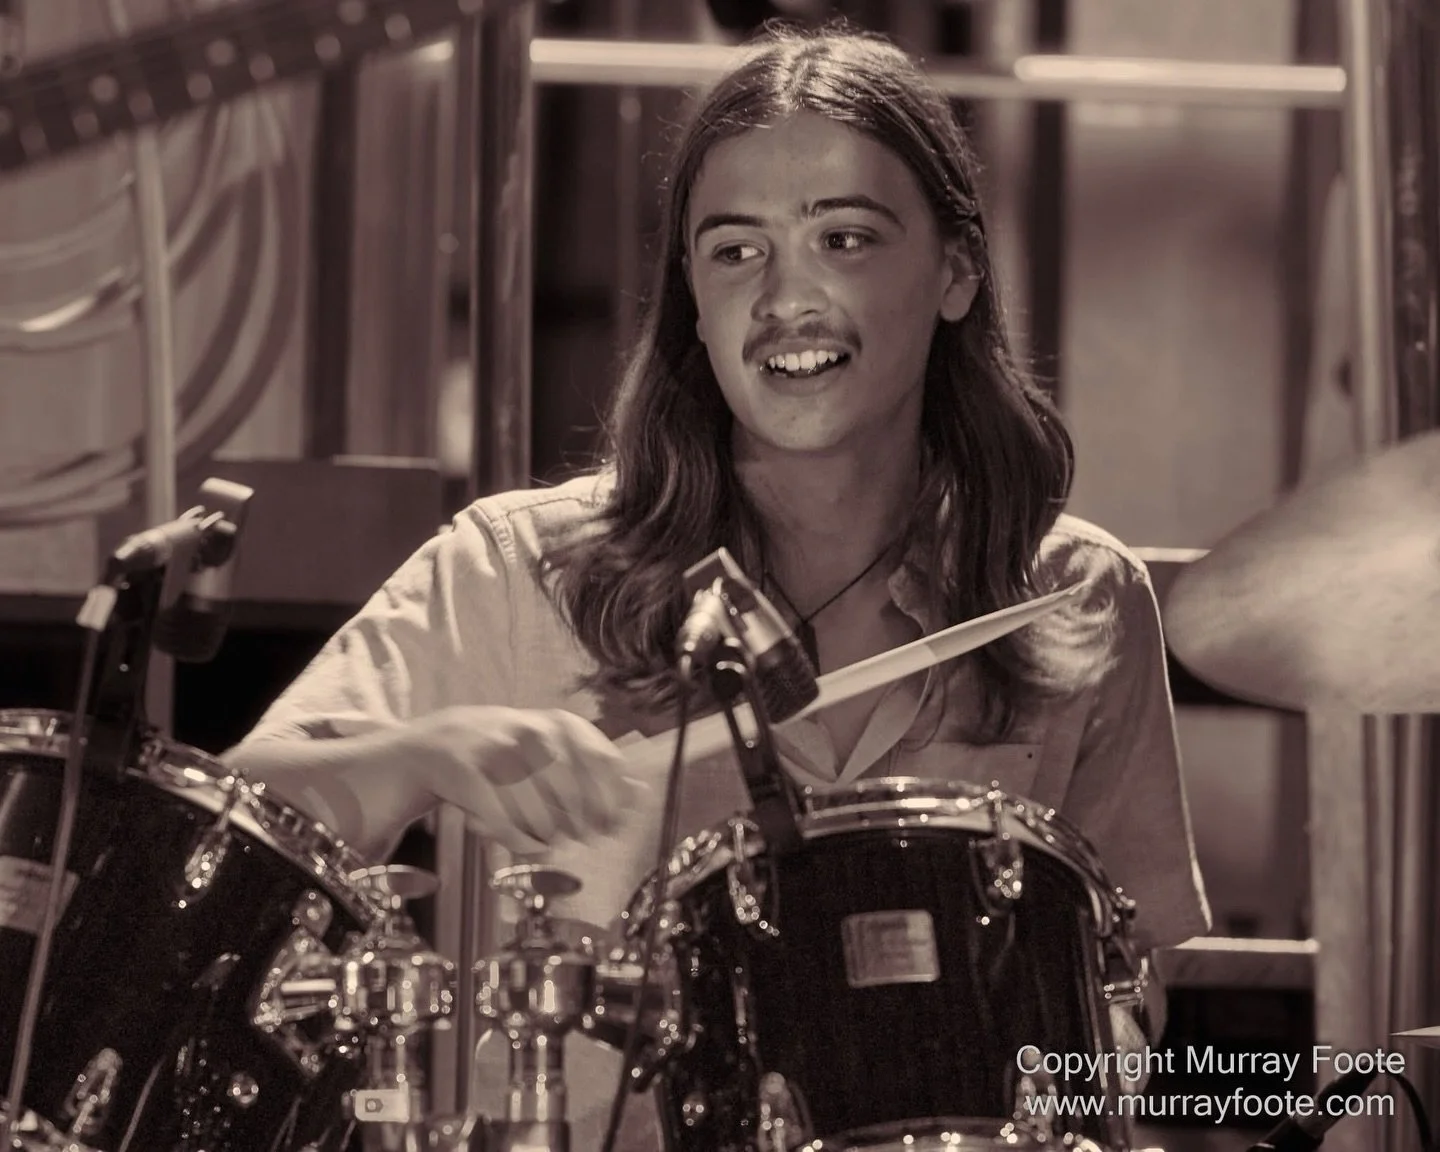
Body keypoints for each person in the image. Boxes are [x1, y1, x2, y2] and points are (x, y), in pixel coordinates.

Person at [226, 20, 1210, 1148]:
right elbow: (222, 839)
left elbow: (1123, 995)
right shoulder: (514, 566)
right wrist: (417, 756)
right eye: (735, 252)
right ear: (691, 295)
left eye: (844, 239)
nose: (785, 300)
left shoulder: (1078, 593)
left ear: (954, 271)